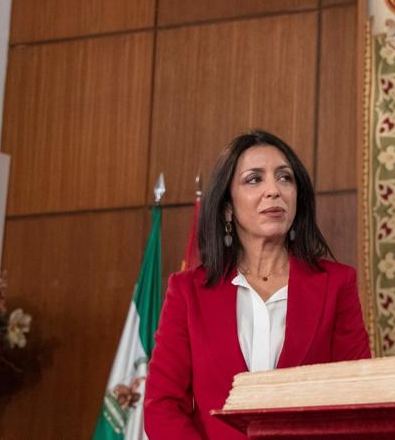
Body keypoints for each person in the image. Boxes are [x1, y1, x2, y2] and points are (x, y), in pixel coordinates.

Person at [145, 130, 371, 439]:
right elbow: (163, 405)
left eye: (285, 178)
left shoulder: (337, 284)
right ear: (227, 205)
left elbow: (358, 398)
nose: (273, 190)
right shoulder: (187, 291)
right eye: (254, 179)